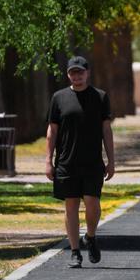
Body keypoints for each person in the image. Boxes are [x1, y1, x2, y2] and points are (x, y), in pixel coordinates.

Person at [45, 55, 116, 268]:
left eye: (80, 72)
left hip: (93, 162)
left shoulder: (100, 97)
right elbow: (52, 131)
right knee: (71, 206)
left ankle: (91, 237)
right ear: (68, 74)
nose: (77, 76)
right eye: (73, 72)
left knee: (93, 204)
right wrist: (48, 160)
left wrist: (111, 160)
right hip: (67, 161)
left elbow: (106, 130)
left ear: (88, 73)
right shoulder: (58, 98)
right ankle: (75, 251)